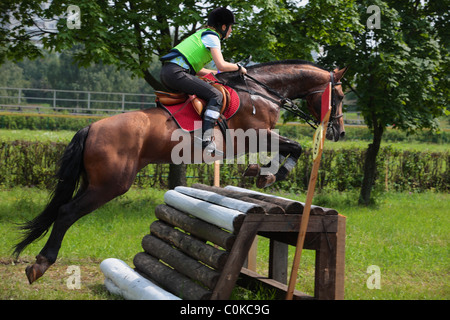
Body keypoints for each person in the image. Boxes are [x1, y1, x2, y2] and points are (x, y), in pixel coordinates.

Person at [160, 7, 247, 153]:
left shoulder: (201, 34)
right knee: (216, 95)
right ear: (224, 27)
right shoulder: (213, 37)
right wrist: (238, 68)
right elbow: (222, 64)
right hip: (176, 73)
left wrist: (217, 73)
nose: (231, 30)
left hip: (169, 72)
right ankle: (206, 139)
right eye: (231, 27)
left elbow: (199, 70)